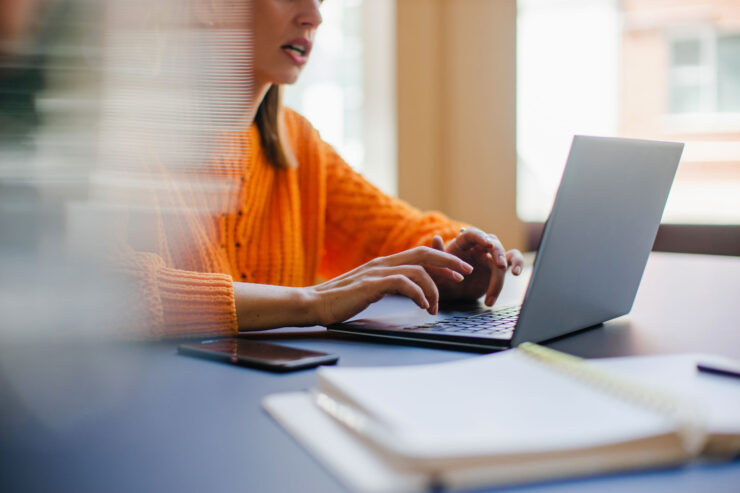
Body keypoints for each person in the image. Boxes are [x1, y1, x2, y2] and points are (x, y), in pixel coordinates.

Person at [117, 0, 524, 339]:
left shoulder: (299, 144)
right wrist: (313, 302)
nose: (313, 15)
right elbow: (112, 292)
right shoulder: (119, 140)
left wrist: (458, 265)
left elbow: (394, 233)